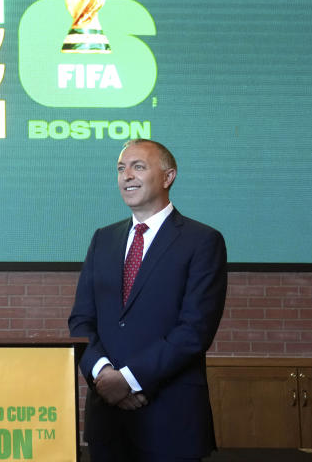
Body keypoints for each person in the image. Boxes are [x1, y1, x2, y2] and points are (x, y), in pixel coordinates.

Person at [68, 139, 228, 462]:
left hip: (170, 423)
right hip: (107, 424)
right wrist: (103, 376)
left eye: (138, 166)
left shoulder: (203, 241)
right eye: (120, 169)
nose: (127, 175)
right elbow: (81, 321)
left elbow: (194, 331)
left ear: (168, 177)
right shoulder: (103, 239)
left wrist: (127, 380)